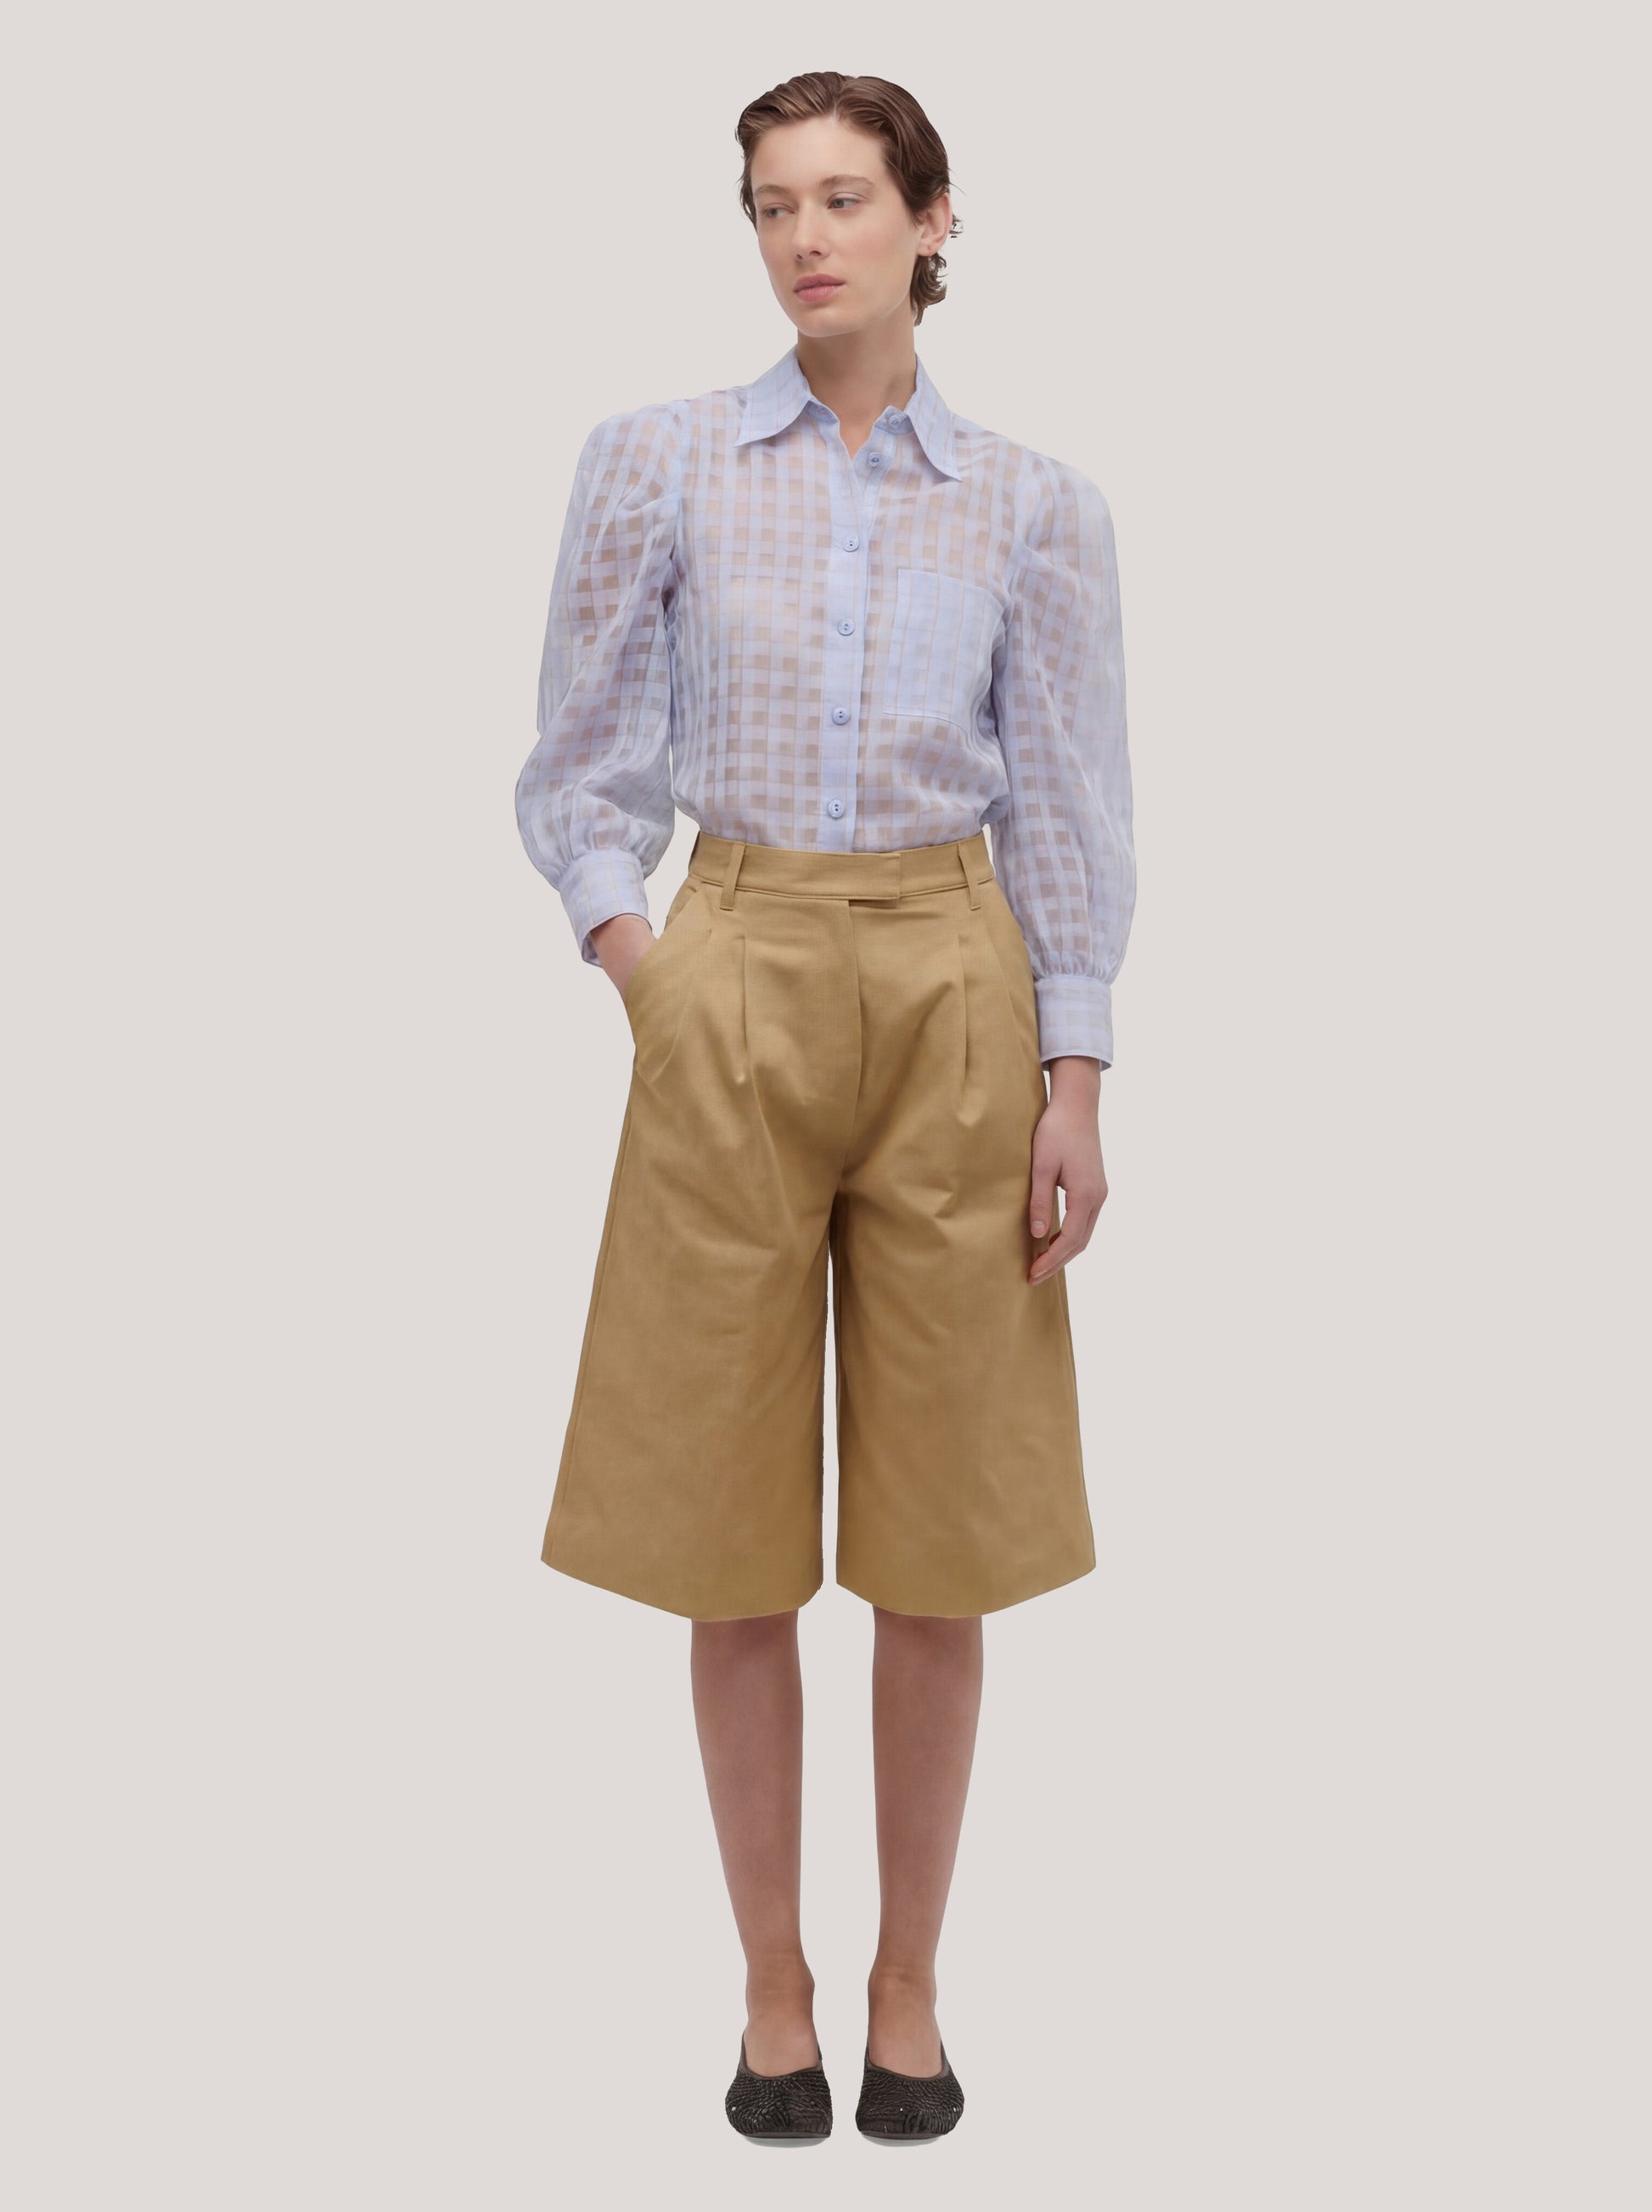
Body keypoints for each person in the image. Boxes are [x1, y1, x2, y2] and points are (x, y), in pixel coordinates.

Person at [514, 70, 1135, 2145]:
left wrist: (1075, 1069)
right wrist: (649, 965)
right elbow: (576, 767)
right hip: (737, 963)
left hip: (959, 977)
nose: (806, 238)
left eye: (848, 198)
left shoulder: (1034, 505)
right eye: (774, 203)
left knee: (944, 1531)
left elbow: (1068, 804)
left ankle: (907, 1984)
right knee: (726, 1527)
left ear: (931, 220)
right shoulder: (659, 463)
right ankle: (771, 1980)